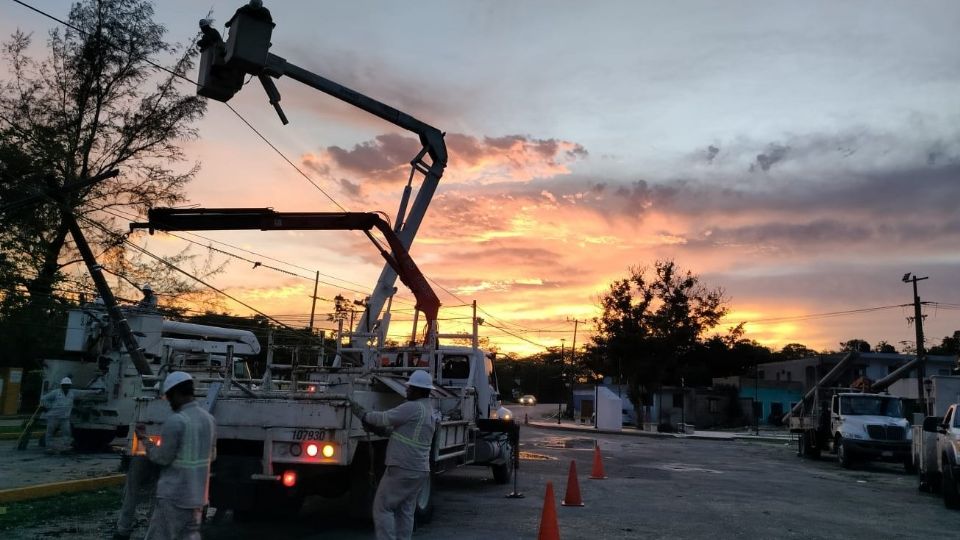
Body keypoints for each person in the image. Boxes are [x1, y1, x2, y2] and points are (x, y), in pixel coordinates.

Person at [135, 371, 215, 540]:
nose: (169, 402)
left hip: (173, 497)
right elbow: (212, 455)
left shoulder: (176, 421)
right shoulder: (209, 420)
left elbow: (162, 458)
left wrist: (144, 440)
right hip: (197, 499)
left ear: (177, 394)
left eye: (169, 397)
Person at [361, 370, 438, 540]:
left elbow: (384, 417)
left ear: (418, 390)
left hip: (403, 468)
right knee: (405, 511)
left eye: (410, 388)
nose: (407, 390)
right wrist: (383, 431)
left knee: (383, 507)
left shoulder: (412, 407)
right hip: (418, 470)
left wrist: (364, 415)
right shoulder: (428, 410)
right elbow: (405, 432)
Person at [40, 377, 96, 452]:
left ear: (70, 386)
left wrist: (96, 391)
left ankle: (65, 447)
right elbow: (43, 399)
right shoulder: (56, 392)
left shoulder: (72, 393)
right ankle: (49, 447)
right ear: (61, 385)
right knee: (50, 432)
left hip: (65, 417)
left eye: (67, 385)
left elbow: (83, 392)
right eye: (64, 385)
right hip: (53, 416)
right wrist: (49, 407)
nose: (66, 386)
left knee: (66, 432)